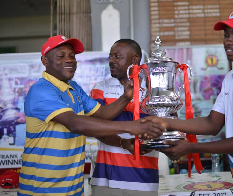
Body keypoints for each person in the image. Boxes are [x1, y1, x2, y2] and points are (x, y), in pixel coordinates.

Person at [143, 7, 233, 196]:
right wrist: (166, 122)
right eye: (226, 35)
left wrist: (190, 148)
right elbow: (212, 123)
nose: (228, 41)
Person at [17, 35, 165, 196]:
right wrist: (132, 127)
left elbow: (102, 113)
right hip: (41, 190)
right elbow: (76, 124)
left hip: (73, 189)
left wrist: (125, 98)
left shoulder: (74, 88)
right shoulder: (41, 90)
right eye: (61, 56)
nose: (69, 60)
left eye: (72, 56)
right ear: (45, 61)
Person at [89, 39, 159, 196]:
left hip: (144, 182)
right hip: (105, 180)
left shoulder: (154, 91)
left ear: (134, 60)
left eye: (117, 56)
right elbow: (94, 126)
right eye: (110, 57)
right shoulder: (101, 88)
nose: (111, 61)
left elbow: (164, 129)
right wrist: (123, 142)